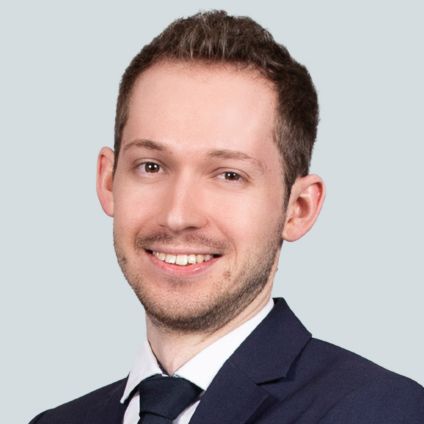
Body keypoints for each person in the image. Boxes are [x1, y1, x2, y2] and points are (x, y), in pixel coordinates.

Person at [30, 10, 424, 424]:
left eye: (229, 175)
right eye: (151, 166)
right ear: (108, 181)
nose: (177, 215)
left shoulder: (382, 411)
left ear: (299, 209)